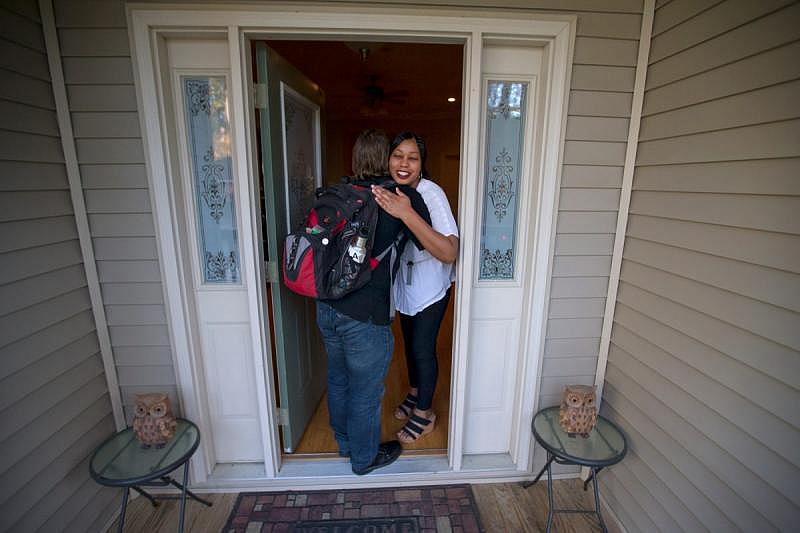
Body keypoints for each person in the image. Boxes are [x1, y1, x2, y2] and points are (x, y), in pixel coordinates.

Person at [316, 129, 431, 474]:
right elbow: (426, 241)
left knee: (338, 378)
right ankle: (364, 459)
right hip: (365, 315)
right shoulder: (398, 197)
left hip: (327, 306)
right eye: (397, 156)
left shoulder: (337, 193)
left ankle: (346, 444)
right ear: (388, 160)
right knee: (366, 391)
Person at [371, 131, 459, 443]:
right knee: (409, 344)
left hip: (431, 281)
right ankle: (414, 393)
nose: (404, 163)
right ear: (388, 160)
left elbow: (449, 251)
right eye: (398, 156)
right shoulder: (387, 189)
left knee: (423, 348)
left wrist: (406, 212)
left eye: (413, 157)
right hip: (404, 282)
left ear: (422, 165)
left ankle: (424, 415)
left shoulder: (431, 194)